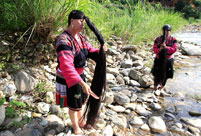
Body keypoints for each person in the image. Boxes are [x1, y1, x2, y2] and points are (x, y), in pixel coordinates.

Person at [55, 10, 107, 135]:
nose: (83, 25)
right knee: (74, 104)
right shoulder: (63, 40)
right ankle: (76, 126)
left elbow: (89, 50)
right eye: (81, 22)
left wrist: (100, 51)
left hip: (79, 75)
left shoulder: (81, 38)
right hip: (69, 77)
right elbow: (67, 66)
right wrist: (83, 83)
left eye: (84, 22)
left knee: (82, 100)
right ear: (72, 21)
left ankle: (81, 122)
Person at [152, 24, 177, 91]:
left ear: (170, 31)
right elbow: (154, 49)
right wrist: (159, 49)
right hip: (159, 59)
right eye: (164, 30)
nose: (165, 32)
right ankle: (155, 86)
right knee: (156, 72)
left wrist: (166, 48)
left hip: (168, 59)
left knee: (167, 73)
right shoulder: (158, 39)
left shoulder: (173, 39)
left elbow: (174, 49)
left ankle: (162, 87)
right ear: (162, 31)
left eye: (167, 31)